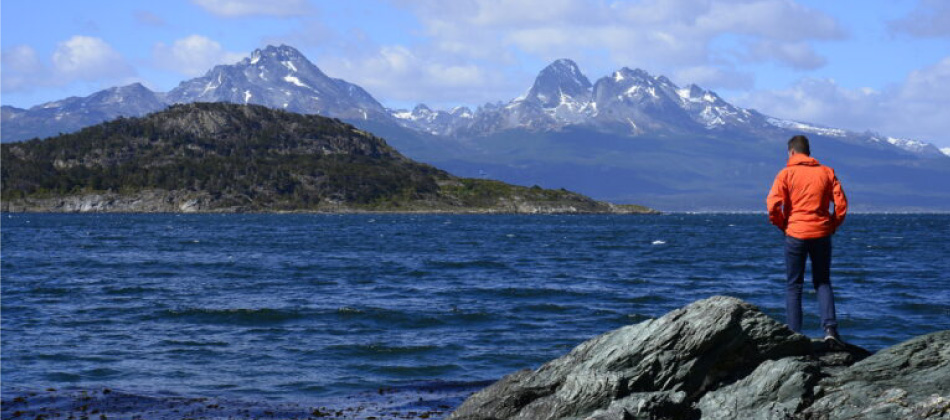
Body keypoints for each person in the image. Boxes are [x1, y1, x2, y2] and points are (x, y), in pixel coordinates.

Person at [766, 135, 848, 347]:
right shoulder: (826, 172)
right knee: (822, 282)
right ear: (808, 152)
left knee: (794, 285)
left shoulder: (786, 174)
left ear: (791, 152)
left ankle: (794, 333)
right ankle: (830, 330)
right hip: (821, 233)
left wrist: (783, 225)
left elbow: (773, 206)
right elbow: (841, 205)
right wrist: (832, 225)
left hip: (795, 233)